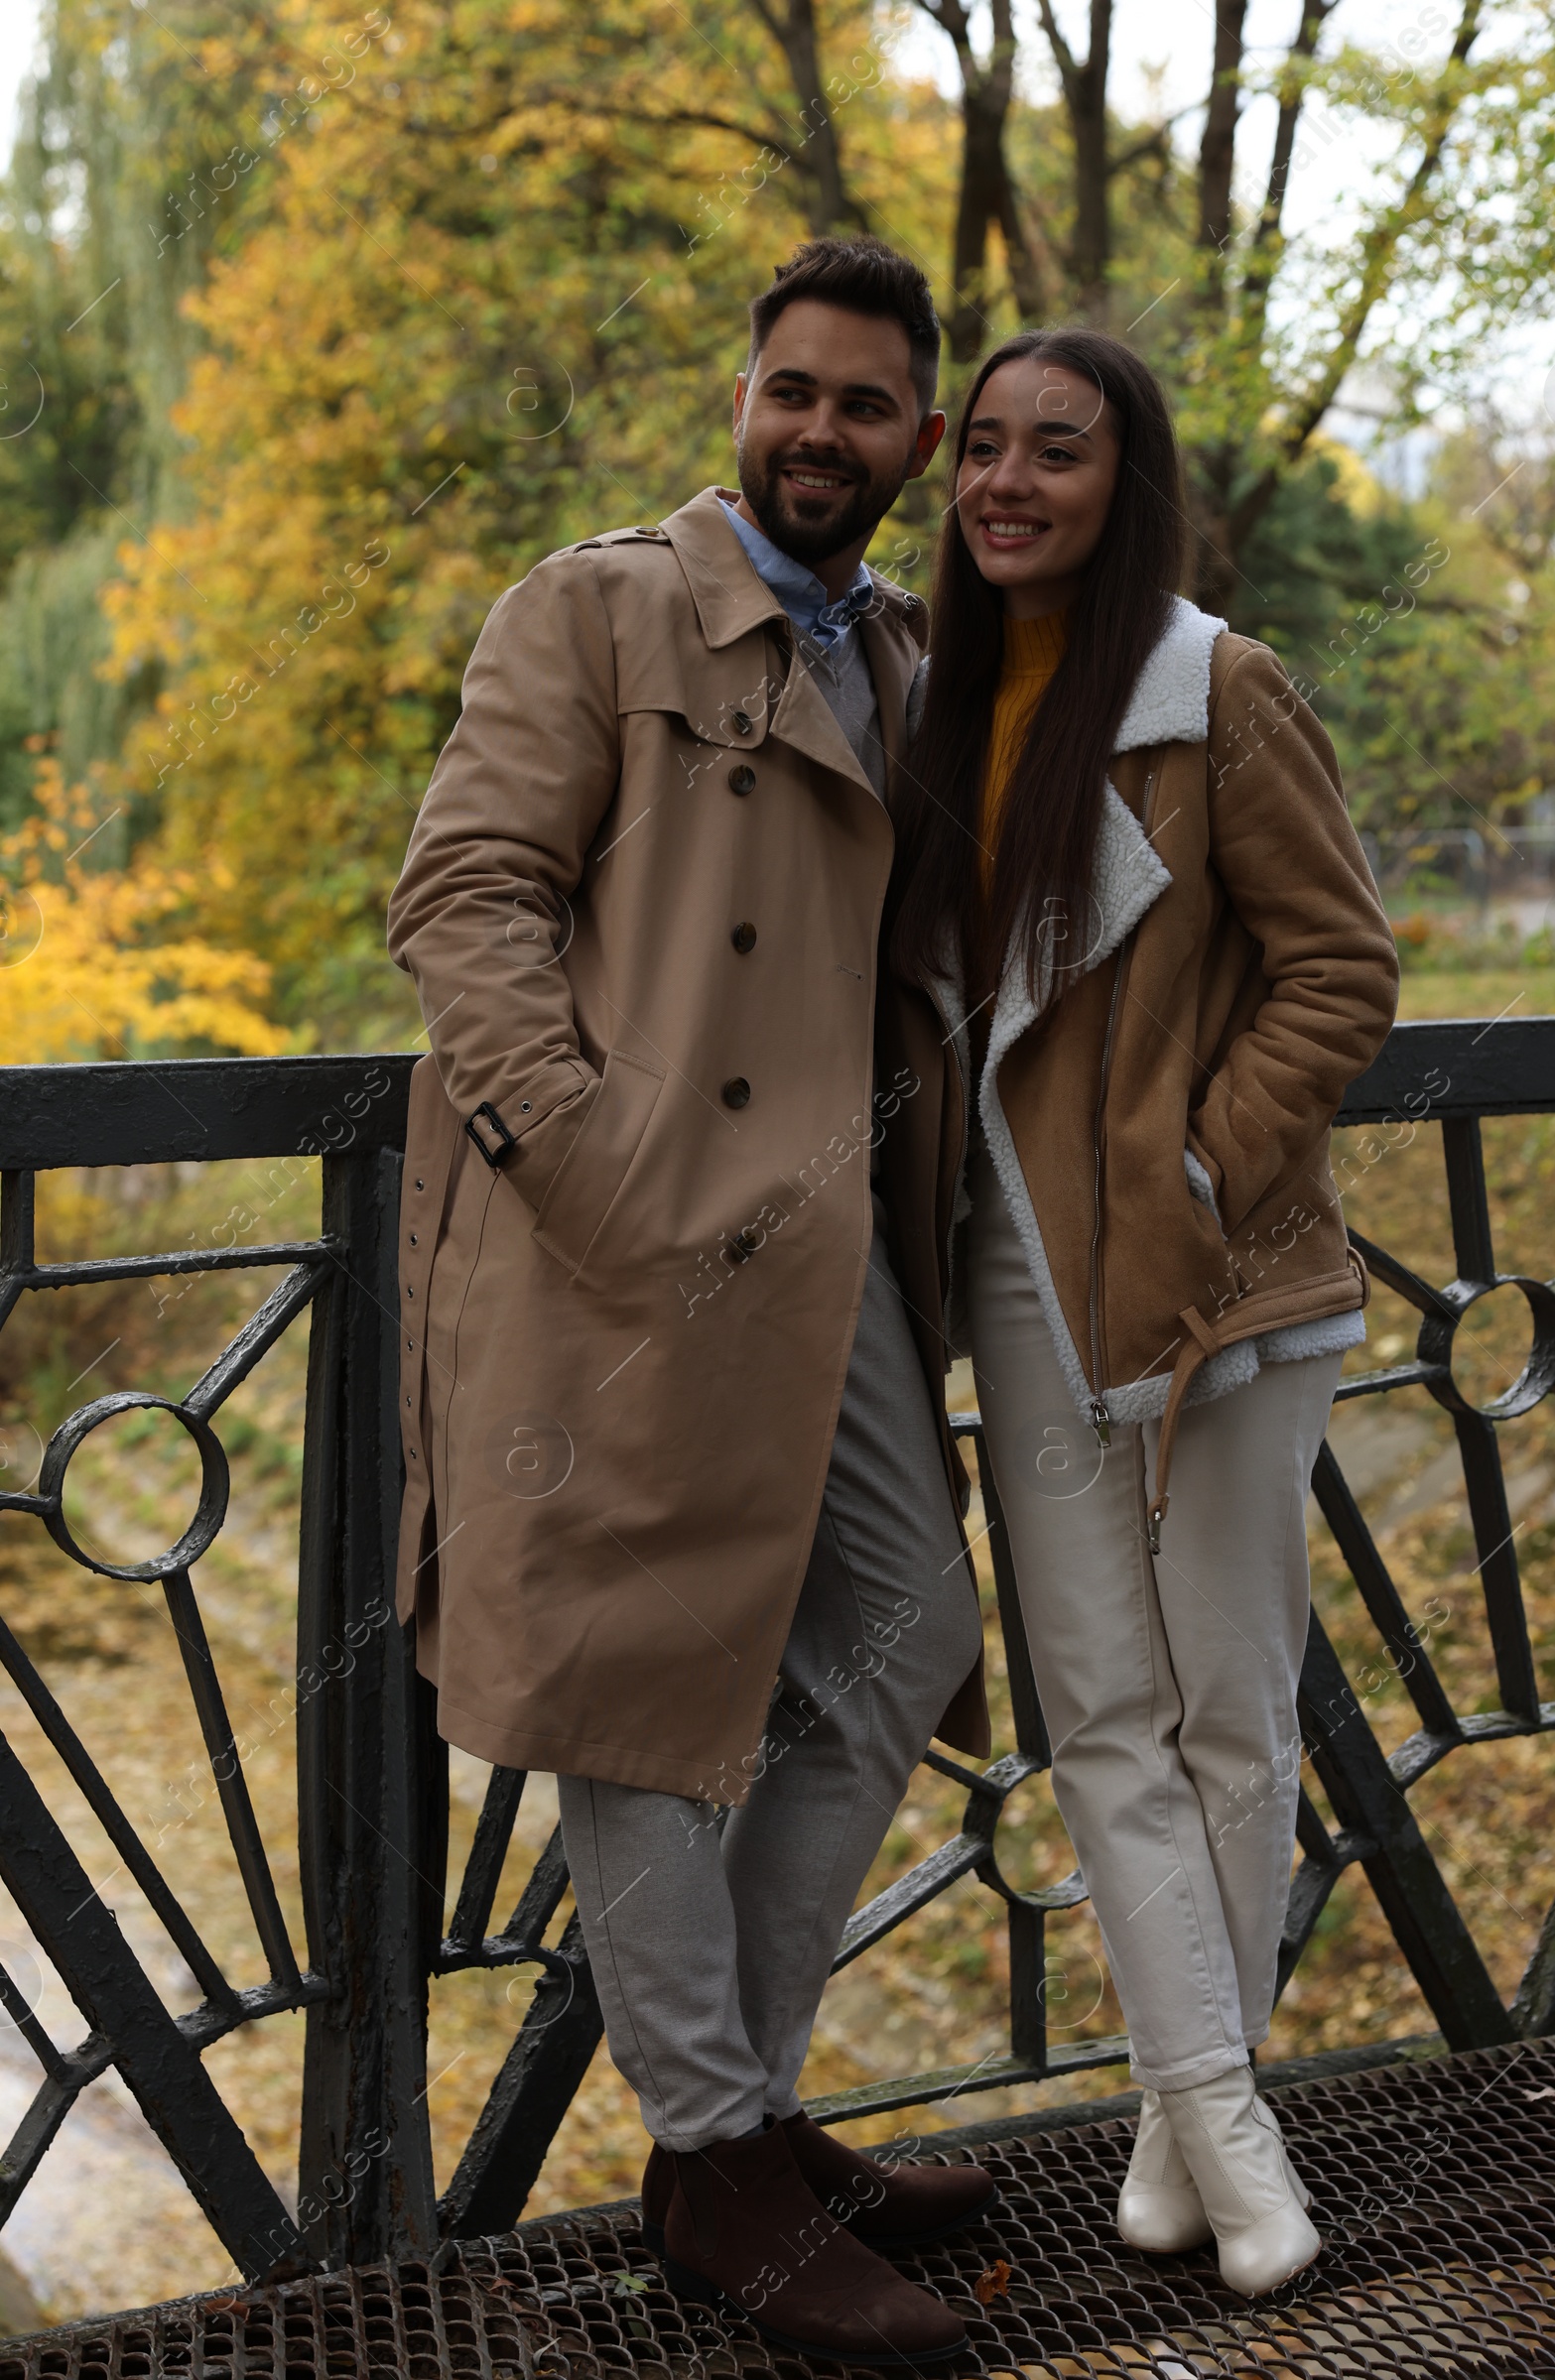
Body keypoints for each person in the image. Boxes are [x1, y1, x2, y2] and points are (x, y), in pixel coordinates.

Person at [385, 236, 997, 2365]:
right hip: (628, 1260)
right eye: (788, 391)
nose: (816, 430)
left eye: (860, 406)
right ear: (739, 400)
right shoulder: (600, 606)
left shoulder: (912, 656)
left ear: (914, 445)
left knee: (912, 1623)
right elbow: (462, 897)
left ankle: (725, 2123)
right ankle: (720, 2148)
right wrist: (604, 1172)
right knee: (641, 1699)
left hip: (824, 1252)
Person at [887, 328, 1398, 2298]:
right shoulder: (927, 710)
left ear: (1127, 479)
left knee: (1226, 1714)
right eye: (985, 450)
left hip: (1206, 1294)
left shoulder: (1213, 693)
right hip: (1015, 1287)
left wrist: (1201, 1168)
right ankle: (1216, 2121)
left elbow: (1338, 967)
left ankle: (1200, 2129)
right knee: (1098, 1717)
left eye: (1058, 452)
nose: (1007, 482)